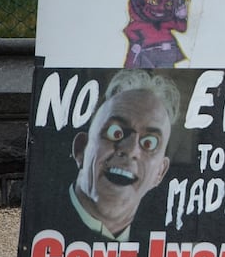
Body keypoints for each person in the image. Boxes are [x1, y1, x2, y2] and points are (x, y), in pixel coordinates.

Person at [63, 69, 181, 242]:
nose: (131, 150)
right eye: (115, 132)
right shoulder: (42, 219)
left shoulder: (160, 249)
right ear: (81, 149)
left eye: (149, 143)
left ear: (159, 173)